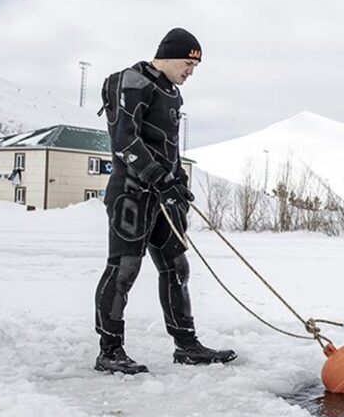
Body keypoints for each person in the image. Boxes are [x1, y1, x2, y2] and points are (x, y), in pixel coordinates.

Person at [93, 28, 236, 374]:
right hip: (132, 192)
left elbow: (167, 146)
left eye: (194, 66)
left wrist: (179, 182)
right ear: (169, 56)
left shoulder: (170, 92)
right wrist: (158, 177)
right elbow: (125, 141)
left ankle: (187, 345)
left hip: (163, 197)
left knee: (177, 267)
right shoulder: (130, 82)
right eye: (188, 63)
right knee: (124, 269)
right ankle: (110, 350)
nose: (191, 71)